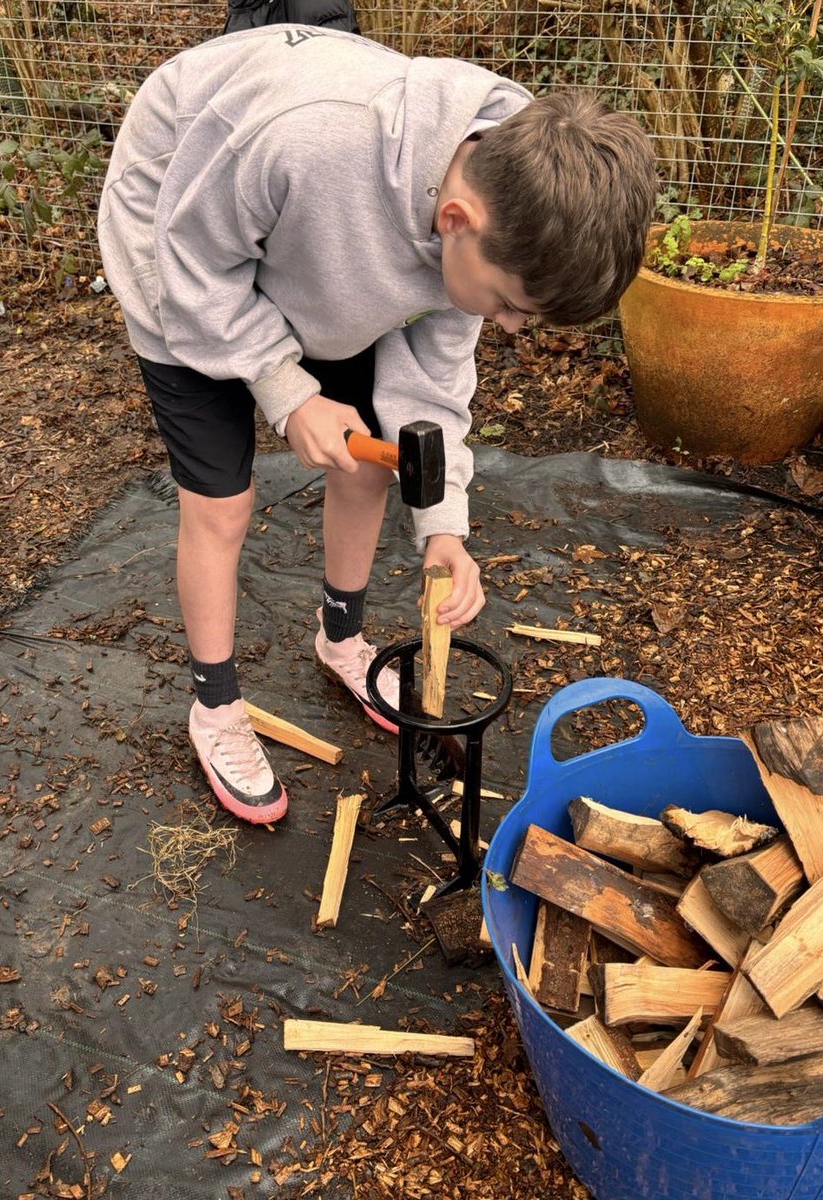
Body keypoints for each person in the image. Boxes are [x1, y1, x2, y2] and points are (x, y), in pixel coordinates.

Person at [97, 26, 657, 825]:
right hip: (181, 233)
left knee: (362, 459)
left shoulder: (516, 192)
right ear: (456, 219)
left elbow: (428, 388)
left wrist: (443, 531)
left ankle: (341, 642)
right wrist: (286, 390)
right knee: (220, 505)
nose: (507, 329)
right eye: (507, 305)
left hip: (321, 244)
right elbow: (190, 263)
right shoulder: (312, 145)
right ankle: (215, 708)